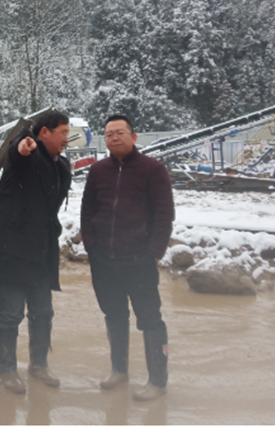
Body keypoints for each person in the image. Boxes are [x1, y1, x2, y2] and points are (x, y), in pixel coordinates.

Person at [80, 114, 174, 402]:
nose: (114, 138)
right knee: (114, 315)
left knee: (150, 319)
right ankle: (119, 370)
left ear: (134, 137)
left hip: (139, 260)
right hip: (104, 260)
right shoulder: (98, 171)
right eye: (109, 134)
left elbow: (164, 214)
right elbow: (87, 210)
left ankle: (157, 379)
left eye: (119, 133)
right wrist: (92, 247)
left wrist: (153, 253)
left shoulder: (153, 170)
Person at [0, 111, 72, 394]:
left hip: (42, 252)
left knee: (43, 313)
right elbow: (19, 148)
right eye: (63, 133)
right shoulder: (28, 153)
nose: (67, 139)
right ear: (44, 132)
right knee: (10, 313)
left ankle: (39, 364)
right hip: (13, 250)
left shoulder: (60, 164)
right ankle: (8, 370)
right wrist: (22, 143)